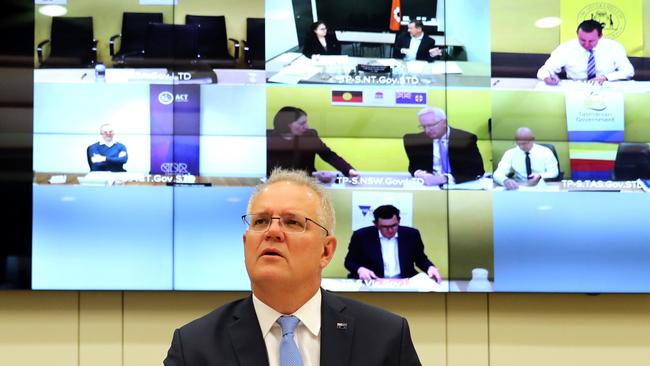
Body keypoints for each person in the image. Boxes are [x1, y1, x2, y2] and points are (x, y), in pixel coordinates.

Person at [163, 169, 422, 366]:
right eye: (261, 221)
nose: (273, 231)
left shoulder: (385, 337)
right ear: (246, 244)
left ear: (326, 251)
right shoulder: (195, 347)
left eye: (293, 222)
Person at [344, 205, 441, 282]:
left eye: (394, 225)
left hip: (404, 281)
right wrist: (360, 269)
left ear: (399, 221)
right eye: (385, 227)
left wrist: (430, 267)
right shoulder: (361, 236)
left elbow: (420, 259)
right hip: (374, 281)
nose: (390, 230)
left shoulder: (412, 235)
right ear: (376, 224)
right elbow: (349, 262)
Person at [267, 106, 359, 183]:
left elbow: (329, 155)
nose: (307, 127)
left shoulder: (310, 136)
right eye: (302, 123)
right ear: (288, 125)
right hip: (277, 185)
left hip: (307, 186)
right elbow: (272, 171)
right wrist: (314, 175)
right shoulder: (268, 139)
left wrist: (349, 170)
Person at [403, 107, 484, 185]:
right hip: (429, 187)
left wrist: (443, 179)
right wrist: (420, 174)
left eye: (431, 125)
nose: (427, 130)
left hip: (458, 185)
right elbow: (414, 167)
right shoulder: (415, 141)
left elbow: (477, 170)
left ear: (445, 122)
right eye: (423, 127)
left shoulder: (466, 139)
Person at [537, 19, 634, 85]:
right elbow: (544, 70)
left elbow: (629, 71)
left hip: (606, 87)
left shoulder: (614, 47)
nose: (586, 44)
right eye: (582, 40)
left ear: (600, 36)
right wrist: (547, 78)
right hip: (575, 88)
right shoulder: (566, 48)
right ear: (577, 34)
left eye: (591, 41)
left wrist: (605, 77)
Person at [493, 127, 559, 190]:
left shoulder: (546, 152)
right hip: (520, 185)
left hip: (542, 185)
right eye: (518, 143)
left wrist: (540, 175)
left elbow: (554, 172)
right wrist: (505, 180)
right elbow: (498, 173)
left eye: (524, 143)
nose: (521, 147)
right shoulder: (510, 153)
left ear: (533, 140)